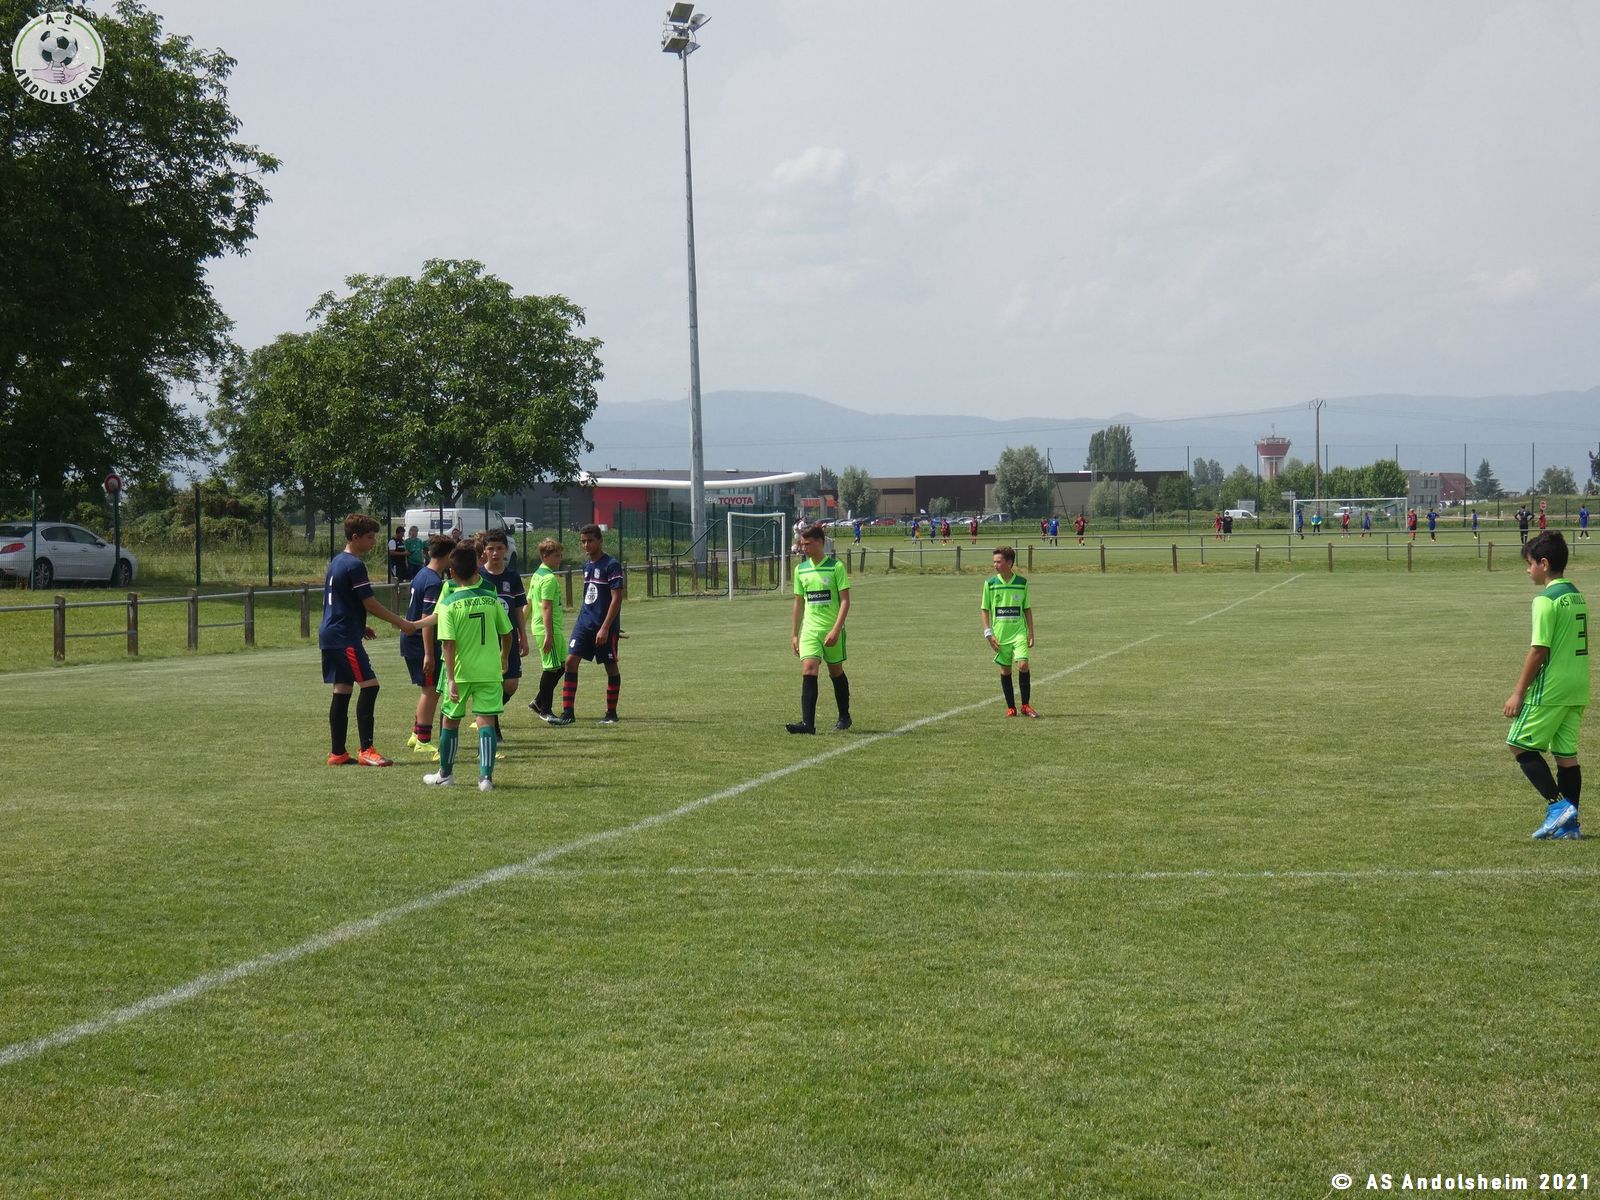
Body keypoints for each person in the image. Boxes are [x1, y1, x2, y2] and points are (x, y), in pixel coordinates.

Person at [1503, 531, 1588, 839]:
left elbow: (1539, 650)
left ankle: (1557, 806)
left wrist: (1518, 693)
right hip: (1578, 686)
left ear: (1544, 563)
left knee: (1518, 743)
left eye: (1529, 564)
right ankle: (1570, 827)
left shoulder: (1546, 600)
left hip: (1552, 687)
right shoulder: (1576, 594)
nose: (1528, 570)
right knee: (1566, 755)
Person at [319, 513, 417, 767]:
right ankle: (366, 750)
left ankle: (338, 754)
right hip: (343, 637)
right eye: (370, 537)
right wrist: (401, 622)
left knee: (342, 689)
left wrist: (360, 625)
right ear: (356, 537)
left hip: (333, 633)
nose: (374, 542)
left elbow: (340, 600)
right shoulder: (354, 565)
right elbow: (370, 603)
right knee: (370, 686)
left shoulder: (337, 561)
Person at [424, 544, 514, 792]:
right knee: (486, 722)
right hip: (489, 671)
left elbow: (448, 644)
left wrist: (450, 678)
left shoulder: (449, 603)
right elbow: (508, 633)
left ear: (452, 573)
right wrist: (504, 656)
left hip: (461, 673)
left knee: (450, 721)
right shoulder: (491, 598)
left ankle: (445, 774)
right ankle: (485, 779)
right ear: (476, 570)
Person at [553, 523, 623, 725]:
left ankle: (611, 714)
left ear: (600, 541)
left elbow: (617, 598)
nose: (586, 545)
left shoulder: (611, 565)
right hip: (584, 623)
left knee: (610, 666)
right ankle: (568, 713)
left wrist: (606, 628)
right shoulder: (586, 566)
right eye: (583, 541)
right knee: (570, 662)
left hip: (604, 627)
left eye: (590, 541)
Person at [787, 523, 851, 734]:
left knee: (836, 672)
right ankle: (808, 724)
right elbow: (799, 603)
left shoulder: (836, 567)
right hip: (810, 630)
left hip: (831, 630)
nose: (803, 548)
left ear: (820, 543)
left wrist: (836, 630)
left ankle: (844, 716)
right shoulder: (800, 570)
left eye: (807, 544)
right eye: (801, 544)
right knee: (809, 669)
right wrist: (794, 634)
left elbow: (845, 601)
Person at [402, 535, 454, 762]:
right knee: (430, 690)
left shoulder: (422, 574)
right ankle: (423, 740)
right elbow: (427, 619)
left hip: (412, 641)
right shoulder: (433, 581)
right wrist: (429, 654)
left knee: (429, 689)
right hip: (420, 643)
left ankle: (416, 734)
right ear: (448, 555)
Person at [479, 529, 530, 745]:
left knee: (511, 685)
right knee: (493, 684)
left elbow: (518, 609)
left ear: (506, 550)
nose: (495, 553)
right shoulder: (478, 576)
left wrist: (523, 636)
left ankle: (488, 714)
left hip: (509, 638)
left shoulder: (512, 577)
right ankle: (493, 726)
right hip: (486, 640)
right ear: (484, 551)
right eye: (490, 548)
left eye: (499, 548)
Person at [981, 546, 1036, 718]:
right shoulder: (990, 584)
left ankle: (1025, 705)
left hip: (1019, 632)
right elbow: (985, 609)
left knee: (1023, 665)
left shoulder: (1022, 583)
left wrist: (1031, 633)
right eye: (994, 562)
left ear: (1009, 563)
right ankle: (1011, 707)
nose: (995, 565)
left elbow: (1027, 609)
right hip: (1000, 635)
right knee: (1005, 671)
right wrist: (988, 634)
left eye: (998, 562)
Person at [526, 538, 566, 721]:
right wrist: (549, 635)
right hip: (548, 629)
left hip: (546, 628)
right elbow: (546, 607)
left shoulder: (537, 575)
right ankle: (545, 710)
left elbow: (528, 602)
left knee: (562, 666)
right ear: (545, 556)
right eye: (556, 555)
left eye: (560, 555)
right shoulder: (548, 578)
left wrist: (521, 628)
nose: (560, 559)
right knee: (551, 669)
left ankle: (538, 701)